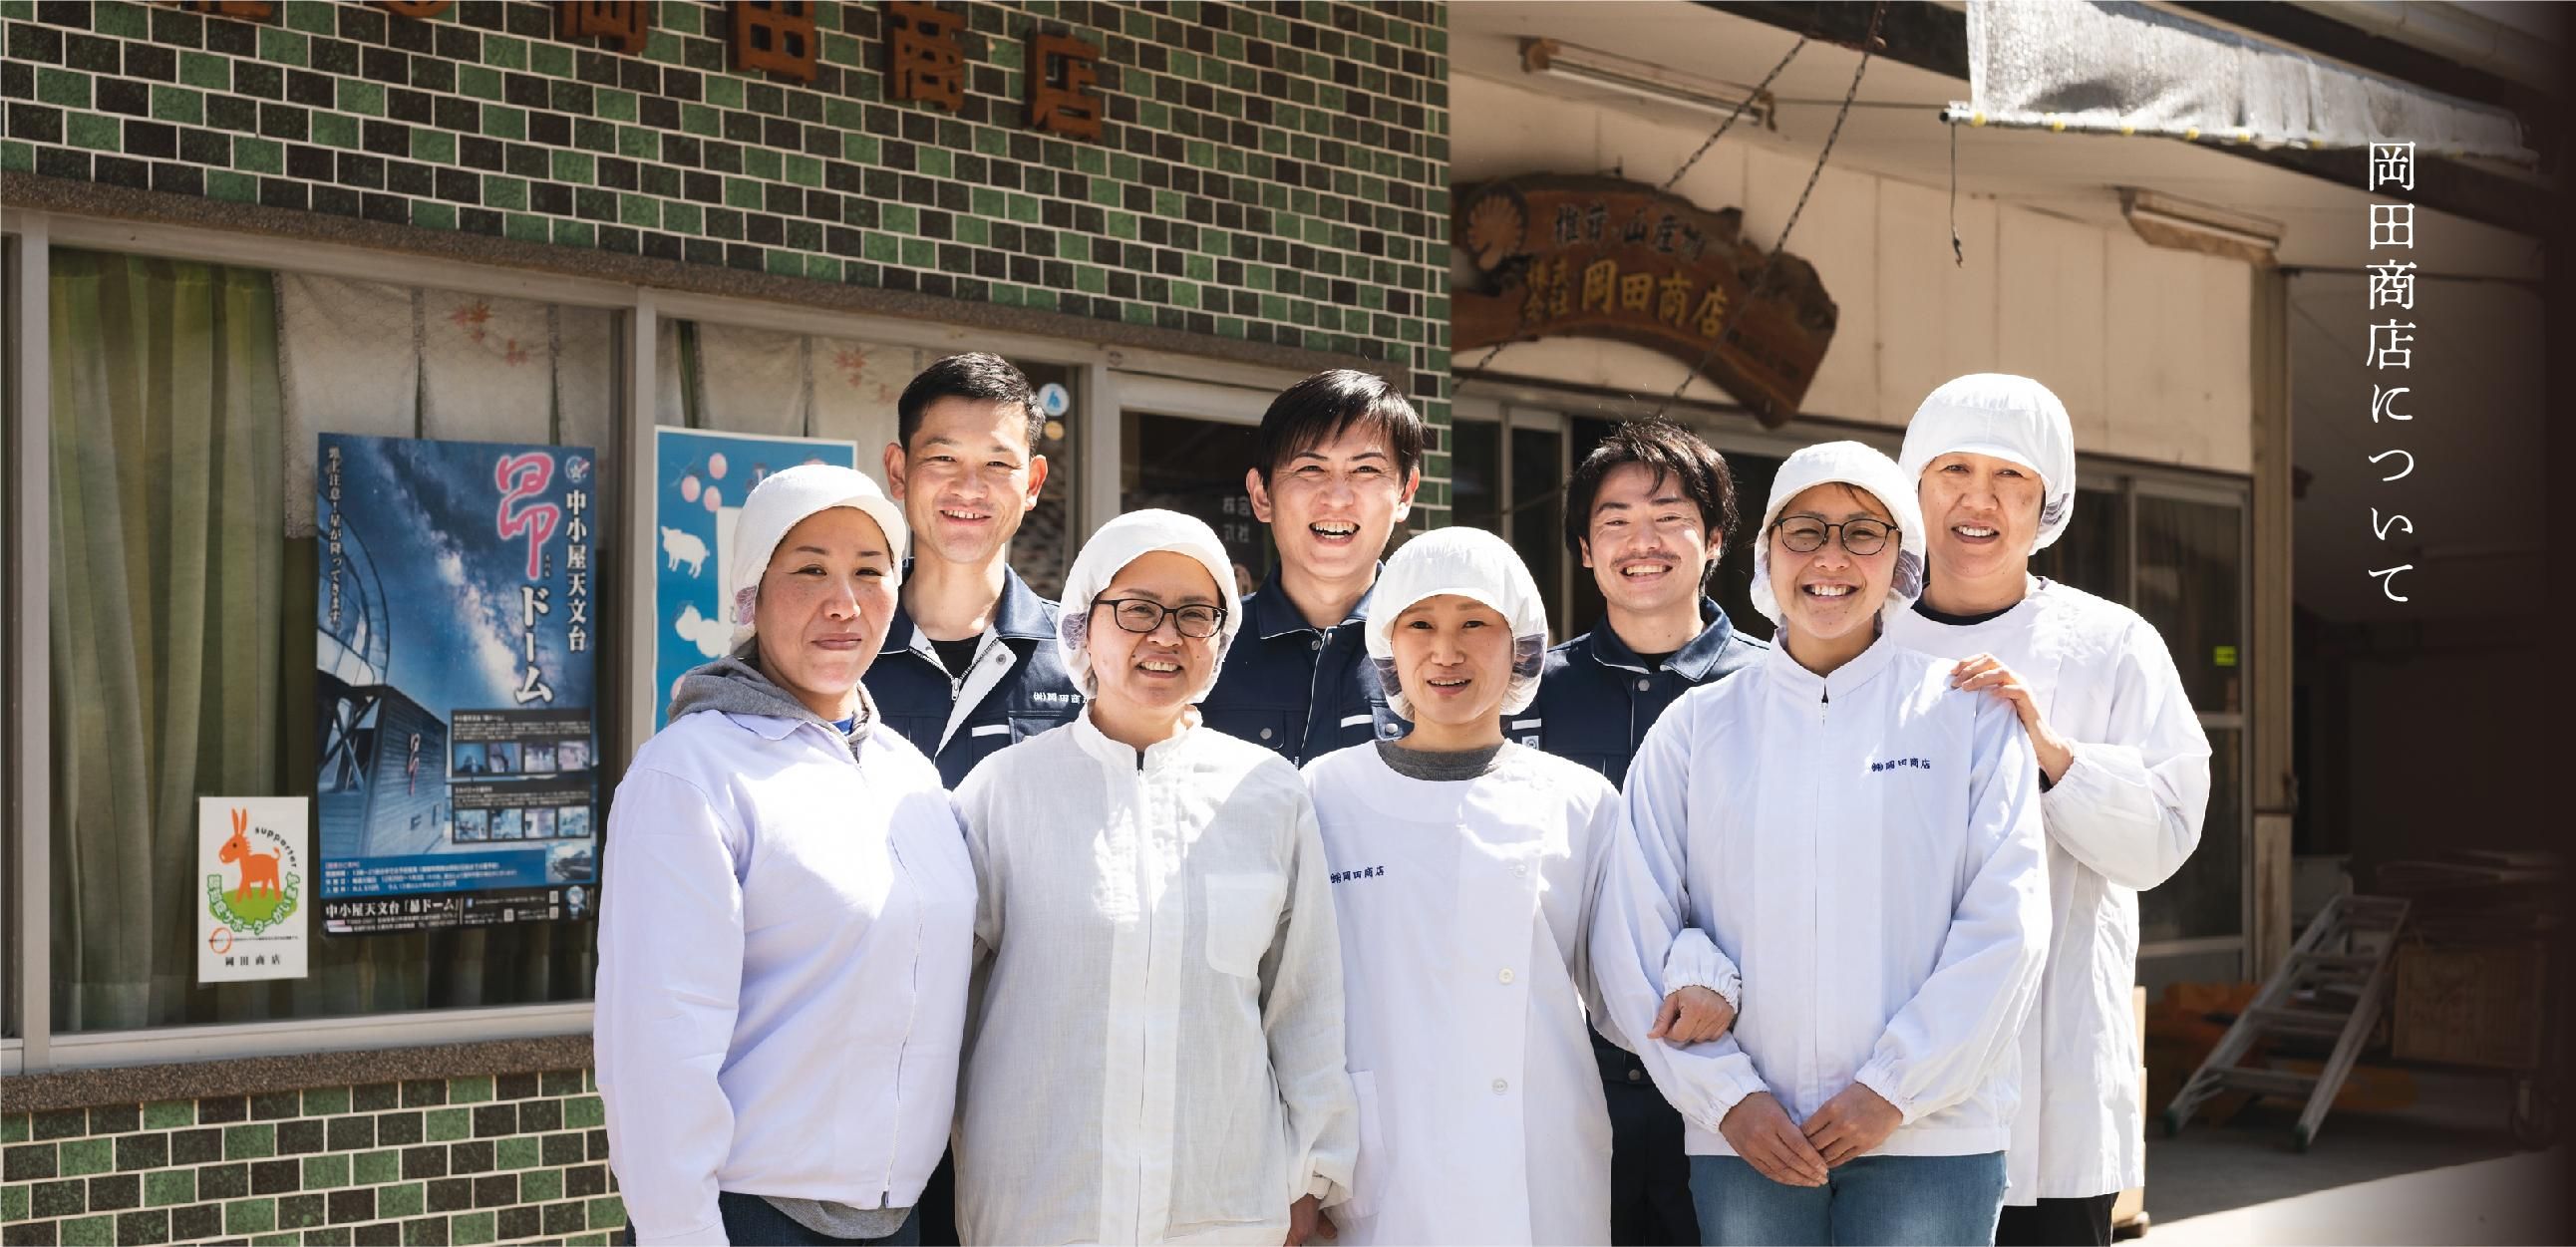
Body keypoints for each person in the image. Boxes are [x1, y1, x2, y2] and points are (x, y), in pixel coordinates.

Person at [1597, 441, 2051, 1246]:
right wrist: (1728, 1096)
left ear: (1902, 561)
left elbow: (2007, 925)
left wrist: (1895, 1086)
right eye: (1805, 531)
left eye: (1862, 533)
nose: (1830, 558)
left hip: (1931, 1137)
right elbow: (1632, 934)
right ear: (1766, 556)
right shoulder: (1698, 730)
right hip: (1750, 1142)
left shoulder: (1967, 717)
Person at [949, 509, 1357, 1246]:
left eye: (1195, 614)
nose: (1165, 636)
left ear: (1220, 638)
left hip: (1221, 1206)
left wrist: (1310, 1177)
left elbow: (1306, 1004)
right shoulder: (1004, 792)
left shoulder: (1266, 793)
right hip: (1039, 1208)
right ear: (1083, 626)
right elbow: (943, 1005)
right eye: (1136, 609)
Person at [1305, 527, 1711, 1245]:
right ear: (1387, 646)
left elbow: (1633, 975)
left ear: (1520, 643)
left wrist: (1707, 978)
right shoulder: (1323, 795)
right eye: (1421, 624)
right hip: (1375, 1172)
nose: (1446, 650)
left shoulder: (1580, 802)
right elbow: (1289, 1003)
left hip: (1537, 1169)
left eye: (1475, 625)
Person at [598, 466, 971, 1247]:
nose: (845, 602)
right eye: (810, 570)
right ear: (750, 595)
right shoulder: (691, 772)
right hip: (751, 1218)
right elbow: (658, 1048)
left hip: (907, 1218)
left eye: (870, 572)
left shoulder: (911, 774)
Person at [1884, 375, 2211, 1247]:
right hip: (1883, 1088)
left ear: (2048, 504)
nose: (1977, 499)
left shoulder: (2111, 644)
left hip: (2053, 1091)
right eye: (1953, 468)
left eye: (2011, 478)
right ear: (1915, 488)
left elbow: (2166, 836)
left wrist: (2054, 758)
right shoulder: (1862, 640)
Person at [1522, 419, 1769, 1246]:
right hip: (1577, 1076)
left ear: (1716, 539)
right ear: (1586, 550)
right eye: (1615, 520)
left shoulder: (1777, 688)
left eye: (1669, 516)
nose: (1643, 541)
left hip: (1738, 1068)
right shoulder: (1529, 696)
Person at [865, 352, 1084, 790]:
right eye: (944, 458)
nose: (969, 488)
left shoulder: (1082, 657)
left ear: (1034, 484)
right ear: (898, 471)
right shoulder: (842, 646)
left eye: (998, 464)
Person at [1200, 369, 1422, 763]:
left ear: (1405, 493)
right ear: (1262, 494)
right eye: (1310, 469)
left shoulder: (1440, 654)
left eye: (1366, 470)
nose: (1337, 498)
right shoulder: (1206, 647)